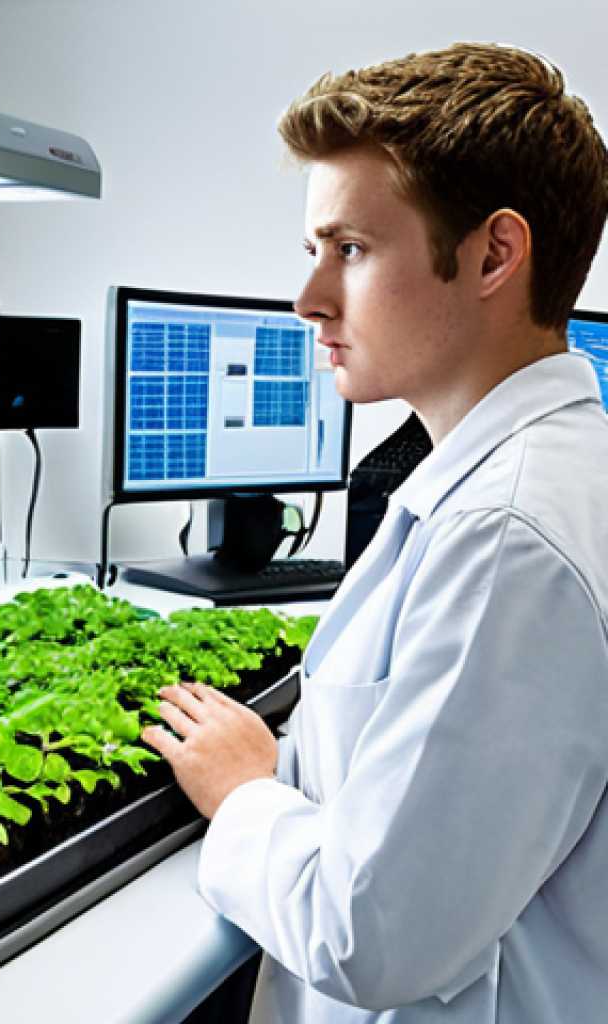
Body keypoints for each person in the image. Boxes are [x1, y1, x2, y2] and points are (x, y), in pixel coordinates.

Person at [142, 42, 608, 1023]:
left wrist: (242, 792)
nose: (308, 298)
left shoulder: (506, 539)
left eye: (349, 250)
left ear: (493, 254)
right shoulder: (513, 484)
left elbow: (370, 932)